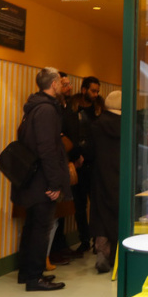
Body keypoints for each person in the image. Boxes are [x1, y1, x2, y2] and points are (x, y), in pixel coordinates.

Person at [12, 67, 70, 291]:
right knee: (39, 228)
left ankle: (26, 273)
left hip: (31, 178)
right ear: (54, 84)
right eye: (60, 82)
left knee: (31, 226)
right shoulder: (46, 110)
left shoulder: (33, 106)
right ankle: (34, 278)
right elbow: (48, 149)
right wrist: (54, 183)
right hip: (42, 180)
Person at [64, 76, 102, 254]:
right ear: (84, 89)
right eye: (93, 90)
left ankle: (97, 240)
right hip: (77, 163)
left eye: (97, 91)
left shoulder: (99, 108)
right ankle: (84, 240)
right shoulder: (72, 107)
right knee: (79, 206)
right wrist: (74, 156)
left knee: (95, 204)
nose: (96, 94)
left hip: (94, 163)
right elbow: (66, 134)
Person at [90, 90, 122, 273]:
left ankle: (102, 250)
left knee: (101, 213)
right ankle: (118, 254)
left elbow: (90, 152)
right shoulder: (130, 126)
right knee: (120, 215)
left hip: (101, 175)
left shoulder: (96, 125)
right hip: (123, 176)